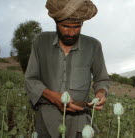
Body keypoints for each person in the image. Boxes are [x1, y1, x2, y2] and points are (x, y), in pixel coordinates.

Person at [24, 0, 111, 137]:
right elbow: (31, 79)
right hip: (47, 120)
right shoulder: (41, 42)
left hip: (80, 122)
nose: (71, 33)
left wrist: (100, 93)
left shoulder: (93, 46)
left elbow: (102, 78)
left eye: (76, 27)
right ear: (56, 22)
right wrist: (53, 97)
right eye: (65, 26)